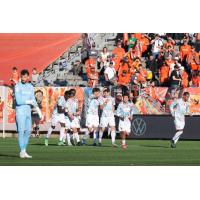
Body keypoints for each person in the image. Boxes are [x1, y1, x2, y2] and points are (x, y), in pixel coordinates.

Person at [14, 69, 43, 158]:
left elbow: (33, 101)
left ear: (28, 77)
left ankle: (24, 151)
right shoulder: (17, 86)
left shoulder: (30, 86)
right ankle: (22, 151)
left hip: (27, 112)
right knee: (21, 131)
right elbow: (18, 101)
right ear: (20, 77)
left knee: (28, 131)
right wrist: (29, 101)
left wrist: (39, 111)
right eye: (22, 77)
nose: (23, 79)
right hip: (20, 112)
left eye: (25, 77)